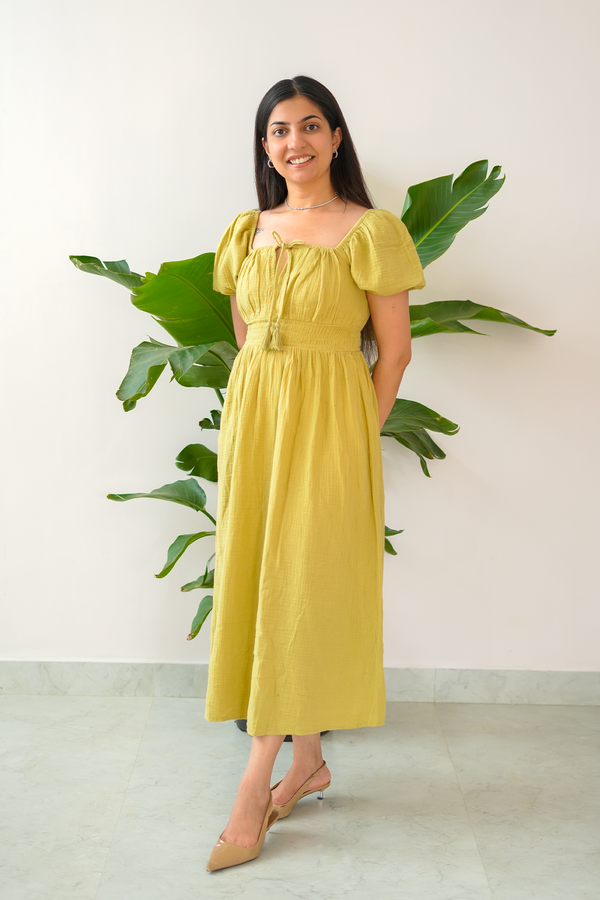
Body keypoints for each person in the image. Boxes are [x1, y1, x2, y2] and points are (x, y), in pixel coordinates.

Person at [205, 75, 425, 872]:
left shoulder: (373, 229)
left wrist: (354, 435)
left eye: (308, 127)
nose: (292, 143)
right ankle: (308, 763)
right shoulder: (246, 230)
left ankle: (256, 781)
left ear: (335, 137)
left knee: (304, 583)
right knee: (267, 578)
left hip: (333, 425)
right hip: (258, 422)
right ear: (265, 147)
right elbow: (249, 336)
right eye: (276, 132)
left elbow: (393, 351)